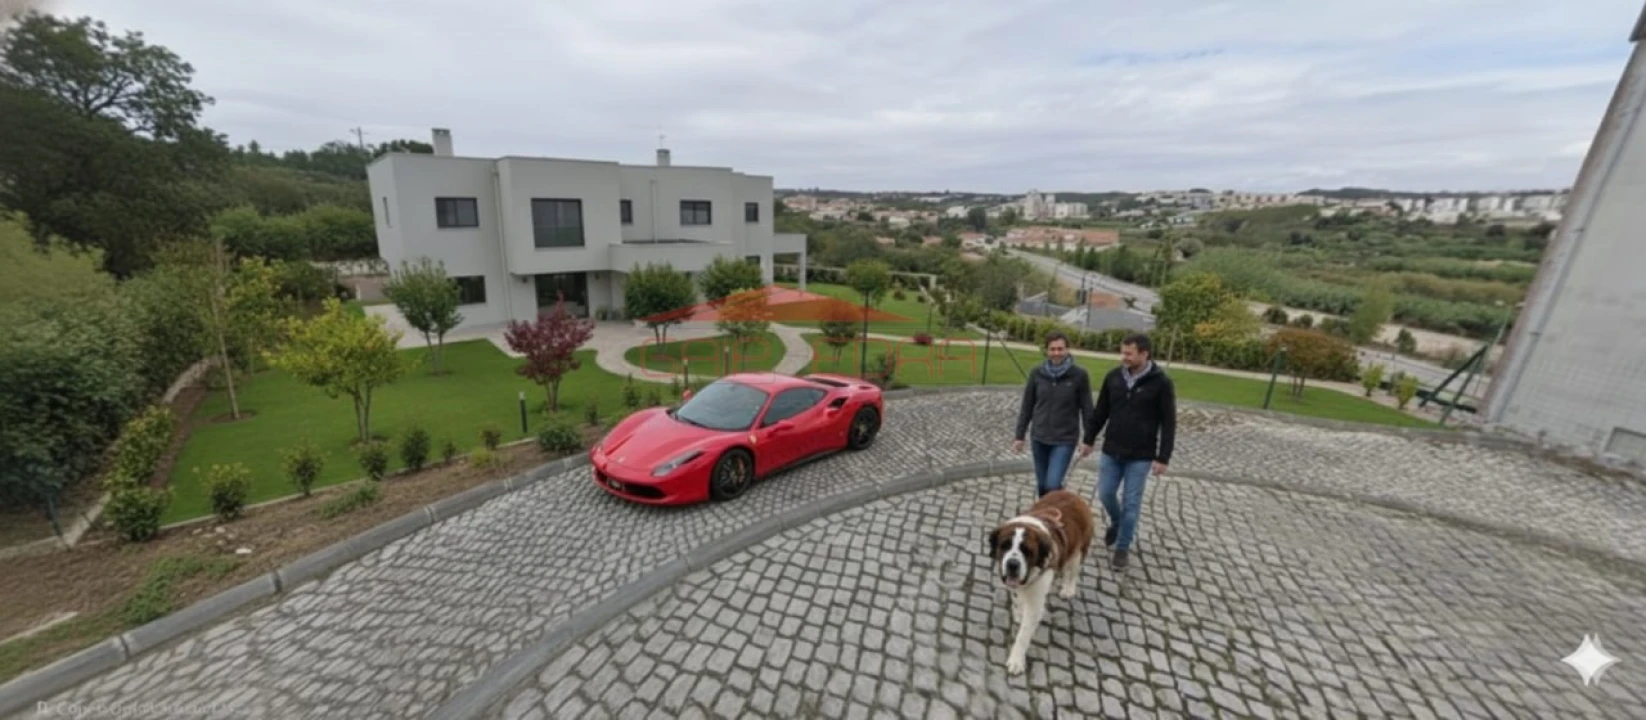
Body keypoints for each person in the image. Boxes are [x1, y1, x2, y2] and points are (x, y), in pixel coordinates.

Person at [1079, 332, 1176, 571]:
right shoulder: (1113, 377)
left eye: (1129, 353)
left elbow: (1169, 422)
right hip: (1112, 450)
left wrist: (1163, 457)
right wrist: (1088, 439)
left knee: (1131, 503)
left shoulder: (1162, 383)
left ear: (1144, 354)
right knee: (1106, 494)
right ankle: (1117, 521)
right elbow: (1101, 411)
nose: (1124, 357)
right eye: (1122, 352)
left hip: (1141, 456)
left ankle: (1122, 547)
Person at [1013, 331, 1094, 497]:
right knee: (1042, 485)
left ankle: (1058, 504)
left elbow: (1087, 408)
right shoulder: (1036, 374)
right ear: (1047, 350)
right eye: (1052, 349)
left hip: (1064, 439)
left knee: (1053, 483)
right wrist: (1019, 436)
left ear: (1067, 350)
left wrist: (1088, 439)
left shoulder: (1079, 375)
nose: (1056, 353)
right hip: (1039, 437)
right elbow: (1027, 406)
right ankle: (1048, 514)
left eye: (1060, 349)